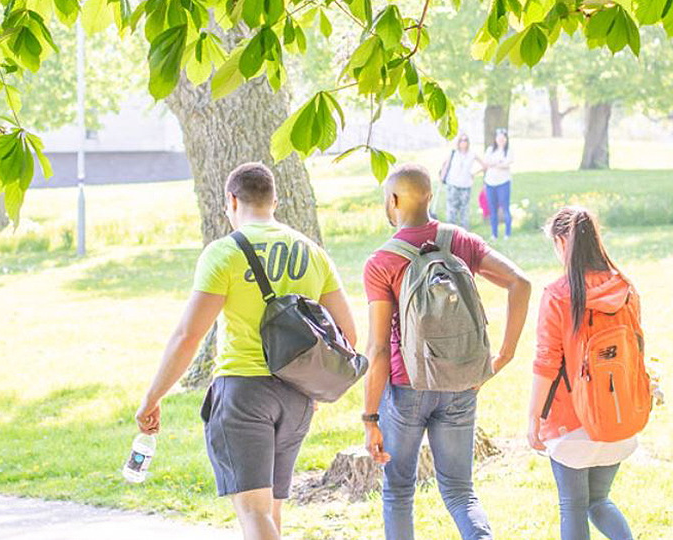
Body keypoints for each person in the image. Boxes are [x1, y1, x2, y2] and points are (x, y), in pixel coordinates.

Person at [135, 162, 358, 540]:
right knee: (270, 511)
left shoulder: (223, 253)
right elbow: (347, 334)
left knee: (253, 512)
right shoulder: (312, 253)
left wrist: (152, 398)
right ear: (275, 201)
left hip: (243, 393)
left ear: (232, 201)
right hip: (297, 397)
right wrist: (314, 385)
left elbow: (189, 335)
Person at [360, 164, 532, 540]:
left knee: (399, 491)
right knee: (459, 491)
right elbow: (520, 282)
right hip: (461, 384)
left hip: (407, 388)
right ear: (430, 196)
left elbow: (376, 349)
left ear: (393, 201)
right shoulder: (461, 242)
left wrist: (370, 417)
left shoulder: (382, 262)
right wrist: (502, 357)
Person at [527, 207, 650, 540]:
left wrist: (533, 419)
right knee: (599, 501)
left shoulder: (558, 294)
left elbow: (546, 364)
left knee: (573, 506)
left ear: (563, 241)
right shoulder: (624, 287)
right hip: (619, 420)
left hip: (571, 427)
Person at [438, 133, 480, 229]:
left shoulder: (472, 154)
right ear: (458, 142)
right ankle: (451, 232)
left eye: (465, 140)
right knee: (451, 210)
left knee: (464, 210)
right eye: (461, 140)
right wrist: (442, 178)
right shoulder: (453, 153)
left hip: (466, 185)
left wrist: (473, 173)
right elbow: (446, 166)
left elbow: (484, 165)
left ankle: (464, 233)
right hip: (453, 184)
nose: (463, 142)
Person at [482, 128, 514, 240]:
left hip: (503, 183)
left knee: (505, 208)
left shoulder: (508, 151)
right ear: (495, 139)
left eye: (502, 138)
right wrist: (498, 162)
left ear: (506, 139)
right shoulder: (490, 149)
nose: (500, 140)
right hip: (490, 183)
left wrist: (495, 163)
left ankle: (507, 234)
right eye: (498, 138)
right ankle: (494, 234)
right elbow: (485, 163)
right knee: (492, 208)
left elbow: (506, 164)